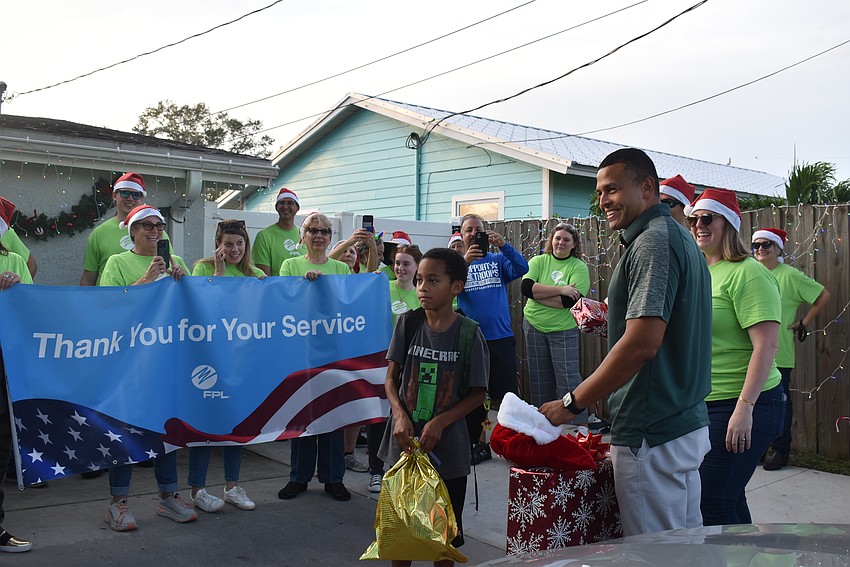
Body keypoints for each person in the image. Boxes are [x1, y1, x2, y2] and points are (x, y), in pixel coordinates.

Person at [539, 148, 712, 537]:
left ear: (647, 187)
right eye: (600, 192)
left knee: (655, 556)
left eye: (613, 189)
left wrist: (572, 402)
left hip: (653, 431)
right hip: (679, 423)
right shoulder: (676, 238)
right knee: (687, 550)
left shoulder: (654, 242)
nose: (603, 201)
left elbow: (641, 345)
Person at [379, 247, 489, 563]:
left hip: (448, 452)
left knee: (443, 540)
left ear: (456, 287)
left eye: (432, 280)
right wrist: (399, 415)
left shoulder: (469, 333)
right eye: (419, 280)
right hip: (404, 445)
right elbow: (390, 379)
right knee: (402, 536)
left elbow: (478, 393)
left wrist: (440, 422)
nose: (422, 288)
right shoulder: (407, 323)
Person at [684, 188, 785, 525]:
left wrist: (745, 409)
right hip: (708, 403)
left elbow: (767, 346)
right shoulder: (702, 271)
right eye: (694, 218)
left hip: (745, 404)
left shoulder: (749, 273)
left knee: (711, 502)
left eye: (707, 218)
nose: (699, 224)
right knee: (726, 497)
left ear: (727, 222)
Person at [98, 204, 194, 530]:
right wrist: (148, 278)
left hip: (166, 360)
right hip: (130, 363)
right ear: (133, 231)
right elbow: (110, 307)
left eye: (159, 225)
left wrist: (184, 283)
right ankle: (118, 503)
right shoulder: (117, 262)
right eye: (147, 226)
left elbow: (191, 310)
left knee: (166, 427)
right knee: (125, 429)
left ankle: (168, 496)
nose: (155, 231)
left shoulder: (176, 262)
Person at [187, 220, 264, 513]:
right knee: (205, 425)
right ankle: (197, 489)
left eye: (239, 243)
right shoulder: (202, 269)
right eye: (228, 244)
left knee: (236, 422)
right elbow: (204, 306)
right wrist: (218, 274)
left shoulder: (255, 274)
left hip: (240, 359)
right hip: (208, 357)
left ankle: (232, 485)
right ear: (218, 245)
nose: (234, 249)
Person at [277, 213, 353, 502]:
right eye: (312, 230)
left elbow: (348, 306)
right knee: (303, 412)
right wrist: (303, 286)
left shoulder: (341, 269)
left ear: (331, 237)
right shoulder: (290, 265)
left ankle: (334, 478)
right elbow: (282, 300)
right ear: (302, 235)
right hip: (302, 352)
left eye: (324, 231)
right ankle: (299, 477)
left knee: (332, 414)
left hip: (333, 351)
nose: (318, 235)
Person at [751, 228, 830, 471]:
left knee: (778, 404)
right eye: (756, 245)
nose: (761, 250)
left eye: (766, 245)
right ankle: (759, 449)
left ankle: (781, 450)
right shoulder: (750, 273)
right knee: (752, 403)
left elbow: (823, 295)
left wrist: (804, 323)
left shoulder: (790, 275)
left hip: (779, 353)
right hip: (750, 352)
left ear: (778, 249)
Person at [457, 213, 528, 464]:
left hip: (501, 338)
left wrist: (504, 245)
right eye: (469, 230)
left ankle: (515, 443)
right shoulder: (457, 265)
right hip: (473, 340)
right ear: (461, 234)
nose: (474, 234)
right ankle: (479, 444)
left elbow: (522, 268)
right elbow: (447, 286)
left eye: (478, 230)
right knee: (476, 396)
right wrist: (464, 262)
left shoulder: (497, 260)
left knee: (507, 396)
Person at [367, 244, 423, 493]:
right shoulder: (382, 289)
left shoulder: (422, 294)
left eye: (406, 263)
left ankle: (405, 470)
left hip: (410, 365)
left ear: (417, 267)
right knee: (378, 419)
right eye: (397, 263)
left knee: (406, 417)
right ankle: (376, 471)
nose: (400, 268)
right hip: (380, 361)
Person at [520, 223, 590, 413]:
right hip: (534, 326)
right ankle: (543, 426)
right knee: (539, 379)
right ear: (551, 240)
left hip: (564, 330)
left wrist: (538, 294)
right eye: (557, 238)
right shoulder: (538, 261)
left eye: (566, 239)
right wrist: (561, 289)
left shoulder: (579, 267)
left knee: (567, 379)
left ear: (574, 244)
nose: (561, 242)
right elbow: (526, 288)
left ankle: (576, 428)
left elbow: (569, 302)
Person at [0, 196, 33, 553]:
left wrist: (16, 288)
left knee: (1, 446)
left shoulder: (14, 260)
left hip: (5, 360)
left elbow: (30, 309)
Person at [81, 172, 170, 286]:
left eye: (136, 195)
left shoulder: (158, 234)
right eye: (124, 193)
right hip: (114, 298)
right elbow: (89, 278)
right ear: (114, 196)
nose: (130, 198)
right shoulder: (99, 233)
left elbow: (169, 267)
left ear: (142, 198)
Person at [252, 187, 303, 276]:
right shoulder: (264, 236)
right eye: (281, 203)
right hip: (276, 289)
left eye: (290, 203)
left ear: (297, 208)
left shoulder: (304, 235)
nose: (285, 206)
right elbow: (264, 278)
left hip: (302, 289)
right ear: (276, 208)